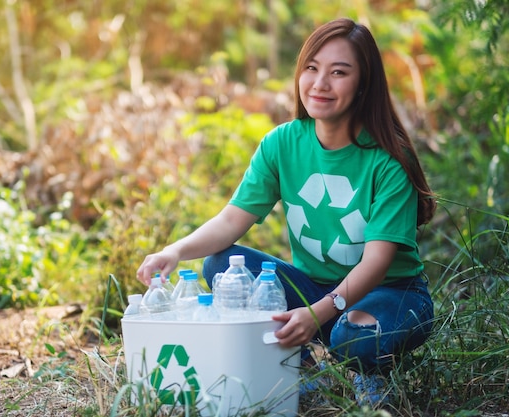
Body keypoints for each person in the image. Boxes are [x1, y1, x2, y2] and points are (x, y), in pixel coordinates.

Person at [136, 17, 436, 407]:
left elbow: (377, 262)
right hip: (314, 288)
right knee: (223, 265)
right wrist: (174, 251)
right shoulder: (282, 144)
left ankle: (372, 379)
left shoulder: (387, 159)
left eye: (339, 73)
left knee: (353, 336)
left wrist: (317, 314)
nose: (320, 83)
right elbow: (231, 221)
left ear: (363, 85)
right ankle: (303, 367)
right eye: (311, 68)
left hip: (392, 293)